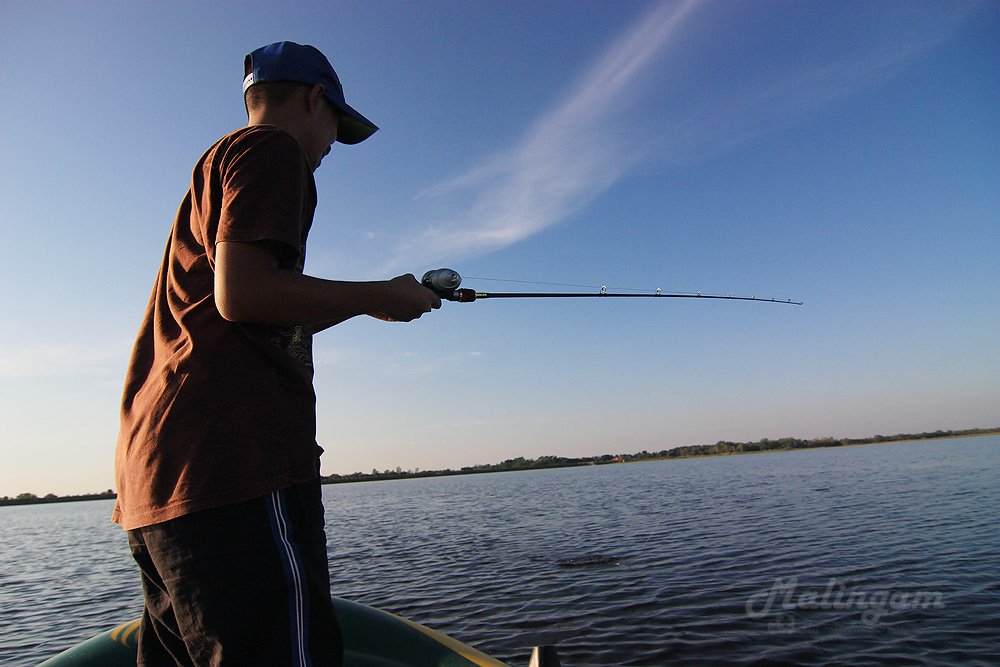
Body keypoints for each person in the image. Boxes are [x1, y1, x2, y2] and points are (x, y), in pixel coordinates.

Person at [112, 41, 441, 666]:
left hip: (159, 477)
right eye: (333, 131)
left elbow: (246, 311)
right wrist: (381, 292)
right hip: (235, 468)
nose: (328, 150)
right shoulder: (273, 149)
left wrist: (375, 302)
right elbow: (245, 295)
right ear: (315, 100)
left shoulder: (212, 169)